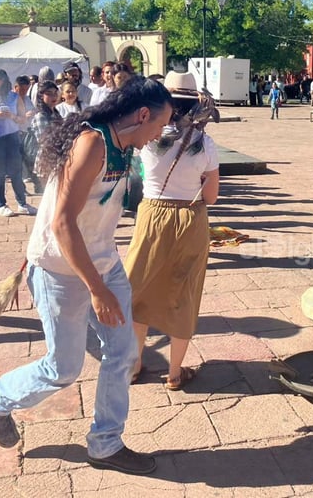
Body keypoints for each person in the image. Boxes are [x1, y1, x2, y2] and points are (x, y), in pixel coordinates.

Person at [0, 77, 173, 475]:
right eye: (159, 125)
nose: (158, 135)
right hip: (58, 268)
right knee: (63, 369)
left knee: (123, 352)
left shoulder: (122, 147)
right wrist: (97, 290)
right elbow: (63, 224)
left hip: (104, 263)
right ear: (143, 114)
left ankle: (105, 443)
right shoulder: (92, 144)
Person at [126, 71, 219, 391]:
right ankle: (175, 374)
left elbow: (139, 177)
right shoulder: (205, 143)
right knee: (184, 296)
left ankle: (135, 365)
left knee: (138, 292)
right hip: (190, 218)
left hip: (151, 216)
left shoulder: (148, 138)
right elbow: (211, 196)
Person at [0, 69, 36, 217]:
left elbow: (23, 119)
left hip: (11, 136)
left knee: (16, 171)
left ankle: (22, 203)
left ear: (3, 80)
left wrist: (12, 116)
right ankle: (1, 204)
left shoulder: (14, 97)